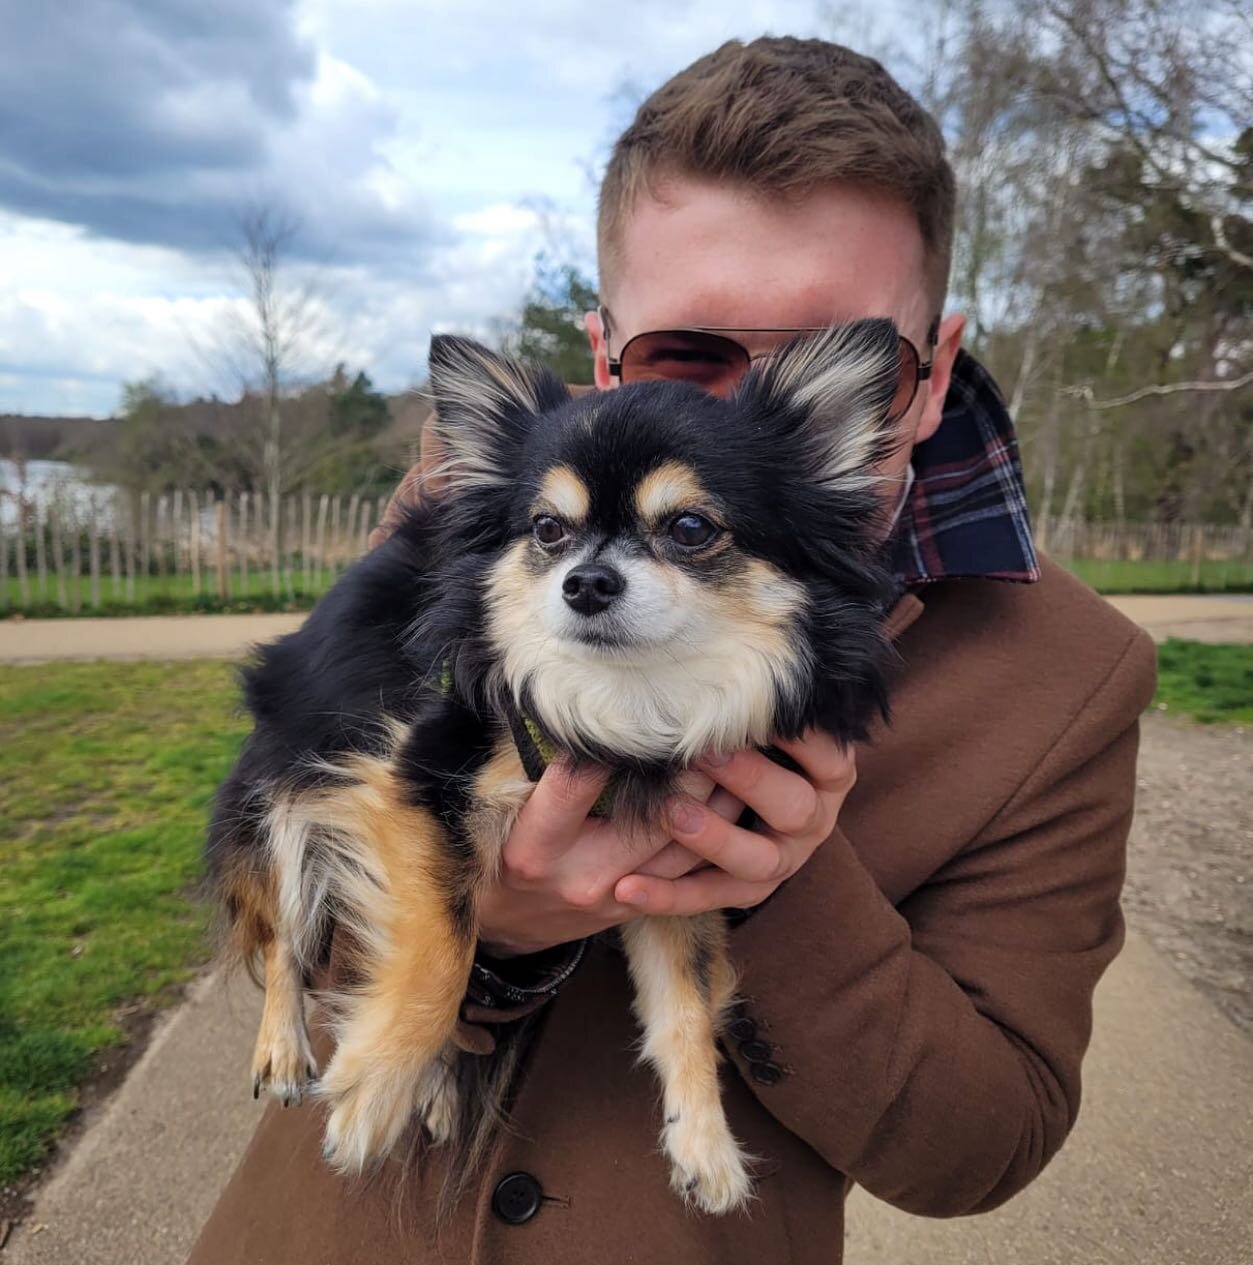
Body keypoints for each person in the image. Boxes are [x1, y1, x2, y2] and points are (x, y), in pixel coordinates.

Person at [187, 35, 1156, 1265]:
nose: (739, 416)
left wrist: (774, 878)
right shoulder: (470, 538)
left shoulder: (1066, 677)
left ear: (927, 370)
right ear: (606, 354)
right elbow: (296, 821)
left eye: (834, 350)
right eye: (685, 355)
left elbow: (981, 1143)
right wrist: (485, 924)